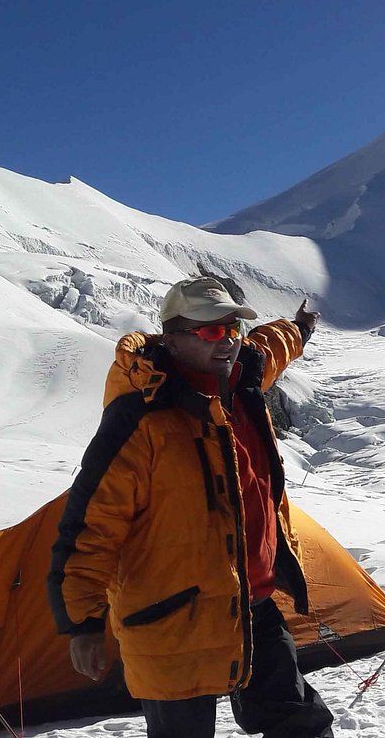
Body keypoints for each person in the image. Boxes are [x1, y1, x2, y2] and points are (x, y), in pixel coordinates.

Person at [47, 276, 330, 738]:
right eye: (212, 331)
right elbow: (92, 525)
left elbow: (266, 345)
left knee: (300, 723)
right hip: (172, 618)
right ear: (173, 339)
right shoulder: (140, 418)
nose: (229, 342)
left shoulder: (242, 380)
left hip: (251, 600)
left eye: (233, 330)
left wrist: (299, 330)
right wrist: (82, 623)